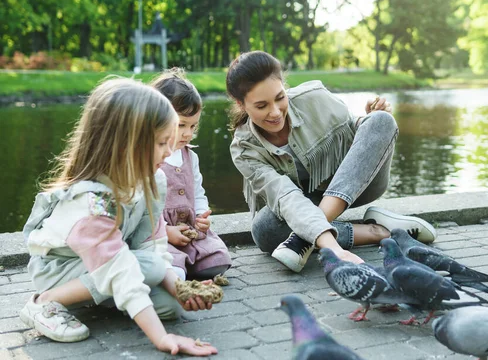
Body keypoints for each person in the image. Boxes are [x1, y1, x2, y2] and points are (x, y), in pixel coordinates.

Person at [20, 77, 218, 357]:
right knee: (144, 269)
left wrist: (181, 289)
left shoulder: (153, 180)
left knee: (169, 306)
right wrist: (162, 339)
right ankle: (45, 302)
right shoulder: (91, 202)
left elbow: (152, 245)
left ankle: (109, 298)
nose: (170, 151)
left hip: (111, 262)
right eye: (162, 142)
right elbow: (125, 265)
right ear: (126, 145)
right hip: (59, 270)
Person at [227, 51, 436, 273]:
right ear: (241, 104)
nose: (275, 112)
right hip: (303, 202)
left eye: (280, 97)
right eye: (261, 106)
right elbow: (286, 198)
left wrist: (369, 119)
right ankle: (380, 231)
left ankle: (302, 239)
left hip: (358, 185)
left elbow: (353, 133)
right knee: (265, 231)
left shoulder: (314, 97)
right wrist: (336, 249)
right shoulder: (244, 149)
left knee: (381, 121)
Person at [149, 68, 232, 281]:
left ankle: (196, 264)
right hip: (158, 230)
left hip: (188, 226)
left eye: (193, 126)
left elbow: (198, 192)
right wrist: (165, 231)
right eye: (181, 125)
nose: (187, 133)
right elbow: (143, 205)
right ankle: (175, 270)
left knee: (218, 257)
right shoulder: (148, 157)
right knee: (168, 259)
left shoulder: (189, 157)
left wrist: (201, 215)